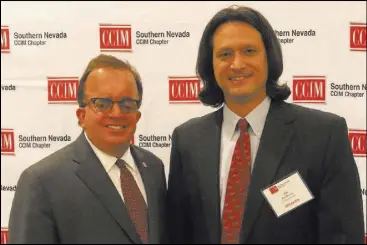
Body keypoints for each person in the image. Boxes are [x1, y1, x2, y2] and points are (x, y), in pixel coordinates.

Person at [167, 5, 364, 244]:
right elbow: (178, 233)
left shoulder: (323, 135)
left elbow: (343, 236)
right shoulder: (187, 139)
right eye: (225, 54)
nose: (237, 64)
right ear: (211, 65)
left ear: (269, 58)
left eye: (249, 51)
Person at [9, 54, 167, 244]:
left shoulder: (153, 167)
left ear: (137, 115)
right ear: (81, 115)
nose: (117, 113)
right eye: (102, 104)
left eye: (127, 104)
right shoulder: (42, 182)